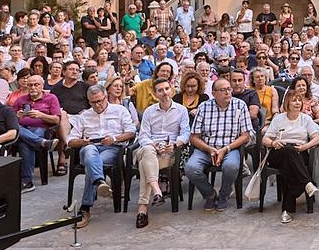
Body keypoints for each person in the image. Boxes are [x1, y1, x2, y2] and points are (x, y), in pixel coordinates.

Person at [66, 84, 136, 228]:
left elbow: (131, 132)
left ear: (106, 97)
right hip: (90, 146)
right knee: (90, 151)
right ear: (88, 101)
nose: (98, 105)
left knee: (92, 166)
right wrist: (82, 141)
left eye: (100, 101)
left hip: (112, 148)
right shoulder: (84, 116)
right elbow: (70, 140)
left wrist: (115, 139)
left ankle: (85, 208)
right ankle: (99, 182)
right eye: (93, 102)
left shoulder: (120, 110)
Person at [185, 77, 253, 212]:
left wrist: (226, 149)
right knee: (191, 168)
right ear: (214, 93)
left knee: (232, 166)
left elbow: (246, 135)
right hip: (206, 148)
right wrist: (209, 149)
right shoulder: (204, 107)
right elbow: (193, 137)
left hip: (229, 148)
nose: (228, 92)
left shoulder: (240, 105)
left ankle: (224, 194)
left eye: (229, 89)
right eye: (223, 90)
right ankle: (209, 194)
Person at [134, 78, 190, 228]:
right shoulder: (149, 111)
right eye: (160, 90)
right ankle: (157, 190)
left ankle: (143, 209)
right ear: (155, 94)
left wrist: (174, 144)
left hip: (169, 151)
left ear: (171, 89)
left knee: (145, 165)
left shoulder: (181, 110)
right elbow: (143, 135)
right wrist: (153, 145)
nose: (164, 93)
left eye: (166, 89)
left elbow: (185, 134)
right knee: (147, 151)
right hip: (151, 147)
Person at [263, 89, 319, 223]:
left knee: (289, 168)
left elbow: (317, 137)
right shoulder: (279, 118)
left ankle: (287, 210)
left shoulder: (306, 119)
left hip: (299, 152)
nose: (297, 103)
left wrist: (304, 147)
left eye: (299, 100)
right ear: (287, 103)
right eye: (294, 100)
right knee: (288, 151)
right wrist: (273, 143)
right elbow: (265, 139)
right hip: (279, 152)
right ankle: (307, 182)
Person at [14, 74, 60, 193]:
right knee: (18, 129)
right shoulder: (20, 100)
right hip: (23, 128)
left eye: (36, 85)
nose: (33, 87)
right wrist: (17, 116)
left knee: (25, 143)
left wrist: (41, 115)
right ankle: (43, 143)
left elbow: (56, 120)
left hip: (42, 128)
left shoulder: (51, 98)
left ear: (42, 85)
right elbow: (10, 121)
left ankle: (27, 181)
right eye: (30, 85)